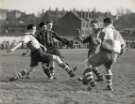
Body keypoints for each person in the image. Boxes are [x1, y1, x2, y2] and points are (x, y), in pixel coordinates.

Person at [8, 24, 75, 81]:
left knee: (30, 69)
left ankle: (17, 76)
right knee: (56, 58)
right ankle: (69, 71)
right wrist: (13, 49)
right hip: (39, 53)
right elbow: (21, 43)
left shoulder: (31, 36)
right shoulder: (27, 36)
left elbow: (37, 43)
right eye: (34, 29)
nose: (35, 30)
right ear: (30, 29)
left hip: (34, 55)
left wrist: (43, 46)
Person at [78, 17, 126, 91]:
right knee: (108, 69)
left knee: (88, 63)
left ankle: (91, 82)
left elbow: (98, 41)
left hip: (105, 53)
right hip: (114, 56)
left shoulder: (104, 30)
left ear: (105, 23)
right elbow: (123, 46)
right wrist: (118, 56)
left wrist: (97, 50)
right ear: (112, 23)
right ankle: (109, 86)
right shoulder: (117, 32)